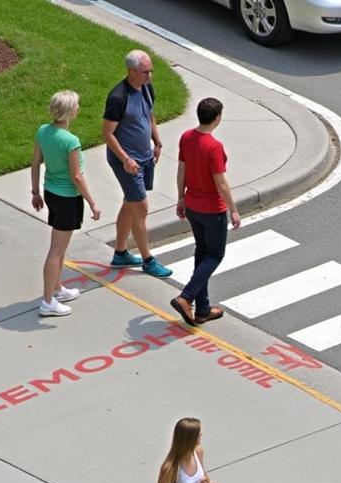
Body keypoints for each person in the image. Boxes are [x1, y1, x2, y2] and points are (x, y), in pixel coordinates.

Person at [170, 97, 242, 327]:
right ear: (217, 118)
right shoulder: (214, 147)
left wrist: (181, 197)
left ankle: (202, 309)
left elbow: (181, 169)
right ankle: (186, 297)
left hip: (192, 206)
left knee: (202, 253)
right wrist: (234, 209)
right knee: (215, 255)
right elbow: (221, 183)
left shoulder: (187, 137)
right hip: (213, 210)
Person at [102, 49, 172, 278]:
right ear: (131, 71)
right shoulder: (118, 97)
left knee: (130, 203)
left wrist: (157, 142)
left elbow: (149, 116)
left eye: (151, 71)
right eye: (145, 72)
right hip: (126, 161)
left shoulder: (147, 88)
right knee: (141, 206)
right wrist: (126, 159)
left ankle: (120, 254)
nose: (149, 76)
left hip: (144, 156)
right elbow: (108, 134)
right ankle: (147, 260)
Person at [30, 90, 101, 317]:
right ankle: (48, 301)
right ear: (70, 111)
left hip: (50, 193)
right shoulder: (71, 141)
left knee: (59, 249)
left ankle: (58, 289)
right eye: (77, 105)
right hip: (68, 199)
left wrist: (35, 192)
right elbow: (77, 176)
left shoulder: (43, 131)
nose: (78, 108)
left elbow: (35, 164)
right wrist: (92, 203)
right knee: (56, 250)